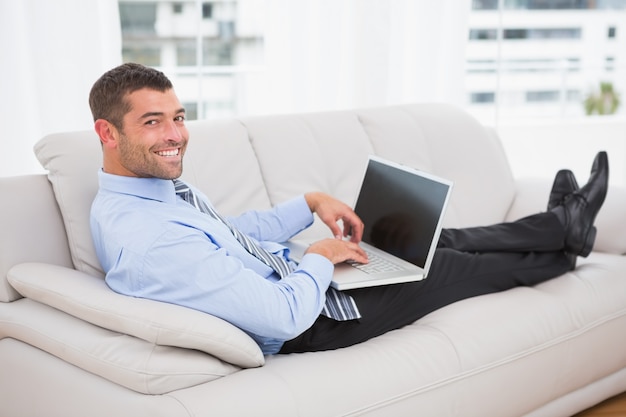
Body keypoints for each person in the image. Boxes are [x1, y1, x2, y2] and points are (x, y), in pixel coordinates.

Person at [89, 63, 609, 355]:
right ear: (107, 133)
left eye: (178, 117)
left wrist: (309, 204)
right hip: (319, 317)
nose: (176, 135)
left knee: (428, 241)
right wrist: (320, 255)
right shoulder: (149, 238)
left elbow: (225, 234)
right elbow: (283, 316)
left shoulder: (152, 192)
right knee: (447, 265)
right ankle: (566, 243)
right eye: (153, 122)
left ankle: (562, 225)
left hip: (298, 276)